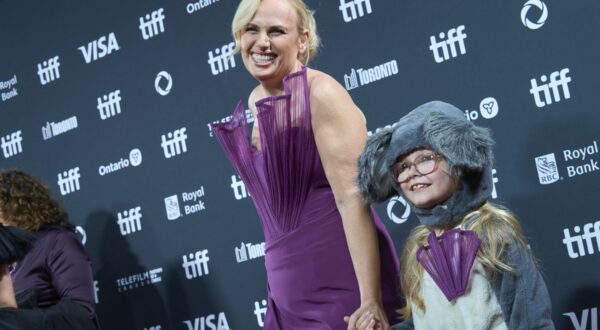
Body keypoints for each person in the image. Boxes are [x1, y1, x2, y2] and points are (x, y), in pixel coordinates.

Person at [212, 0, 402, 328]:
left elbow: (352, 198)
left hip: (339, 277)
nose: (261, 42)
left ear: (302, 40)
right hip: (286, 286)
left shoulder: (321, 93)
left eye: (276, 31)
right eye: (251, 30)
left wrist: (370, 299)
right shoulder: (256, 99)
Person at [355, 101, 555, 329]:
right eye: (402, 167)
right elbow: (425, 322)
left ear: (459, 158)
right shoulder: (419, 250)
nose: (412, 173)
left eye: (425, 159)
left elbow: (530, 318)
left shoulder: (493, 235)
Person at [0, 169, 99, 329]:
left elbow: (81, 311)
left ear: (15, 206)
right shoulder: (5, 258)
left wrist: (21, 322)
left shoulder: (56, 241)